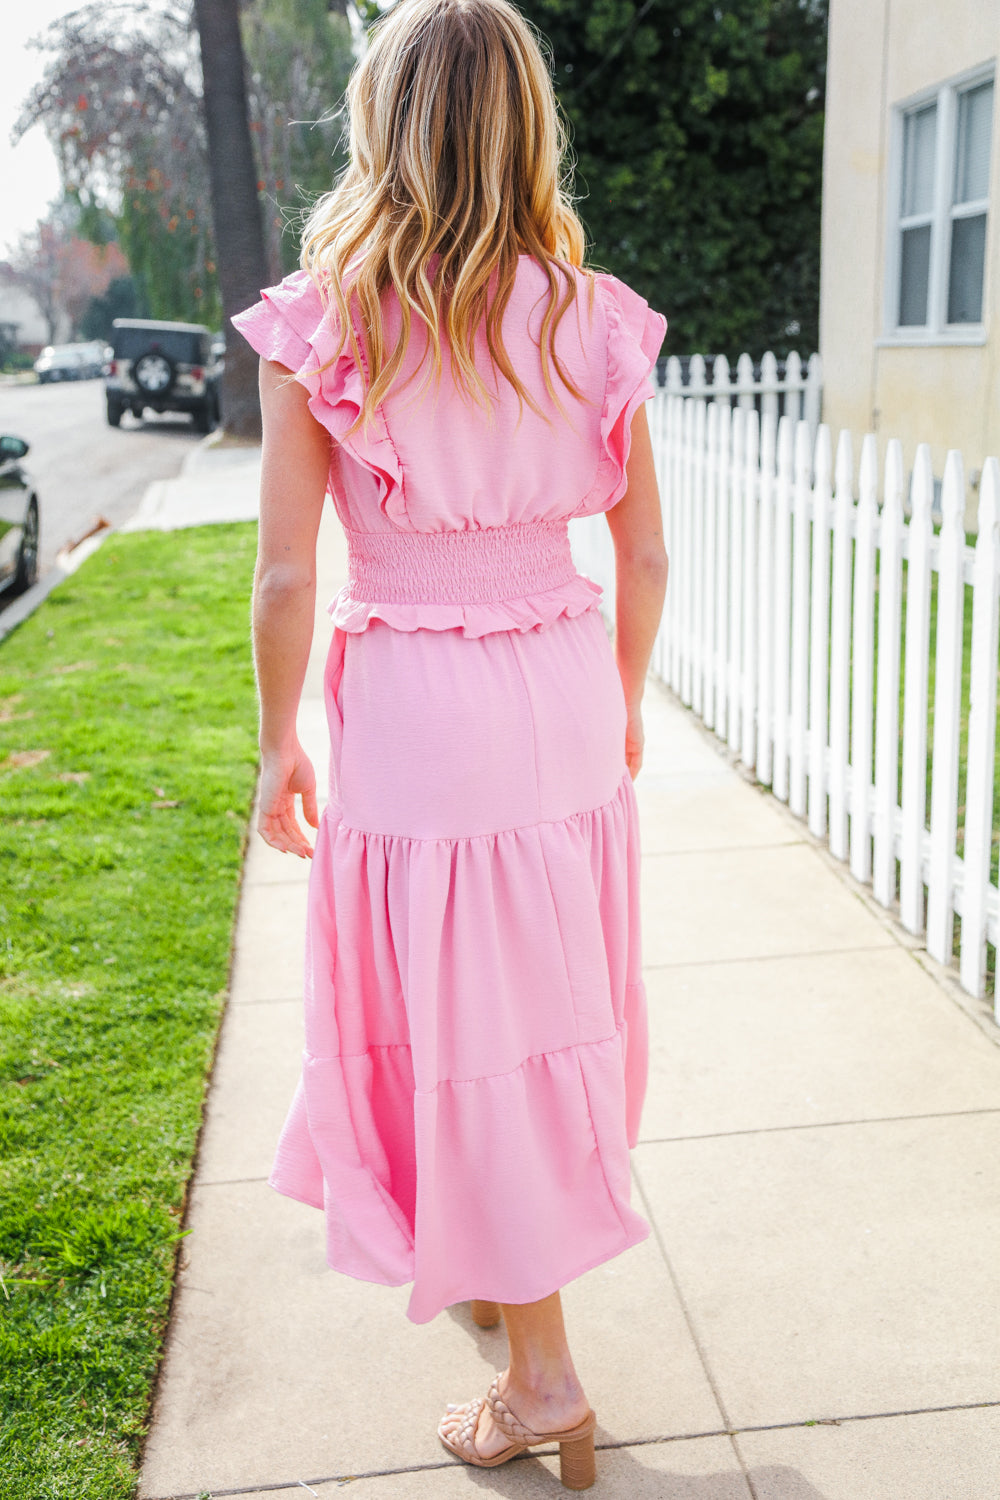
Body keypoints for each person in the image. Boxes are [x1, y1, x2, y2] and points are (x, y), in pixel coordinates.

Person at [232, 0, 667, 1488]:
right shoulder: (589, 315)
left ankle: (542, 1380)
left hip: (421, 710)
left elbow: (286, 576)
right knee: (541, 1013)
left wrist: (278, 741)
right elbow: (645, 556)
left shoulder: (328, 319)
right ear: (527, 123)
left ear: (384, 117)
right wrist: (620, 698)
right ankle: (500, 1268)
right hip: (559, 687)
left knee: (465, 1031)